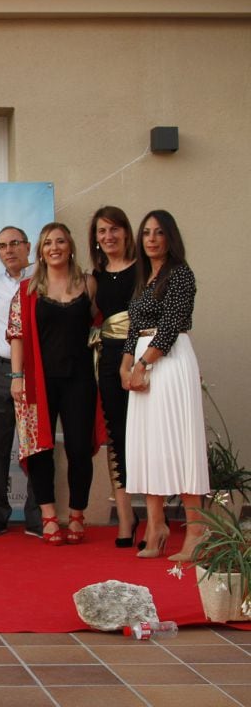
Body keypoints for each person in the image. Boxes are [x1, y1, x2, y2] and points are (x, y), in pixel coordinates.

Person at [120, 210, 208, 561]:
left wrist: (142, 364)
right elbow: (133, 327)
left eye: (159, 232)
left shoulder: (181, 274)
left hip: (168, 362)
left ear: (171, 237)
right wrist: (126, 366)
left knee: (177, 443)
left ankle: (197, 530)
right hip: (142, 361)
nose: (152, 238)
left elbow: (170, 326)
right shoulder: (144, 276)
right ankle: (155, 528)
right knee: (148, 446)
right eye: (146, 233)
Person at [8, 222, 99, 546]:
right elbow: (16, 335)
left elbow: (103, 327)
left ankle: (76, 514)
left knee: (78, 449)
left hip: (81, 380)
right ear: (41, 251)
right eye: (48, 243)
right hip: (37, 383)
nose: (55, 247)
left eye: (60, 241)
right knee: (39, 451)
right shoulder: (27, 289)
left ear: (71, 245)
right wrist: (16, 377)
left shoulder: (89, 284)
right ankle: (48, 516)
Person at [0, 227, 43, 538]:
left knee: (35, 446)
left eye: (15, 243)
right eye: (2, 245)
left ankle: (37, 515)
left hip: (36, 373)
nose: (9, 250)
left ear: (28, 246)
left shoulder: (44, 280)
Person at [87, 206, 139, 548]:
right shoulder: (95, 276)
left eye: (114, 229)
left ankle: (156, 513)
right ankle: (125, 516)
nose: (108, 237)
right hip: (107, 360)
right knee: (117, 435)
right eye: (102, 231)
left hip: (144, 359)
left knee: (147, 436)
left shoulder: (144, 270)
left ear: (126, 232)